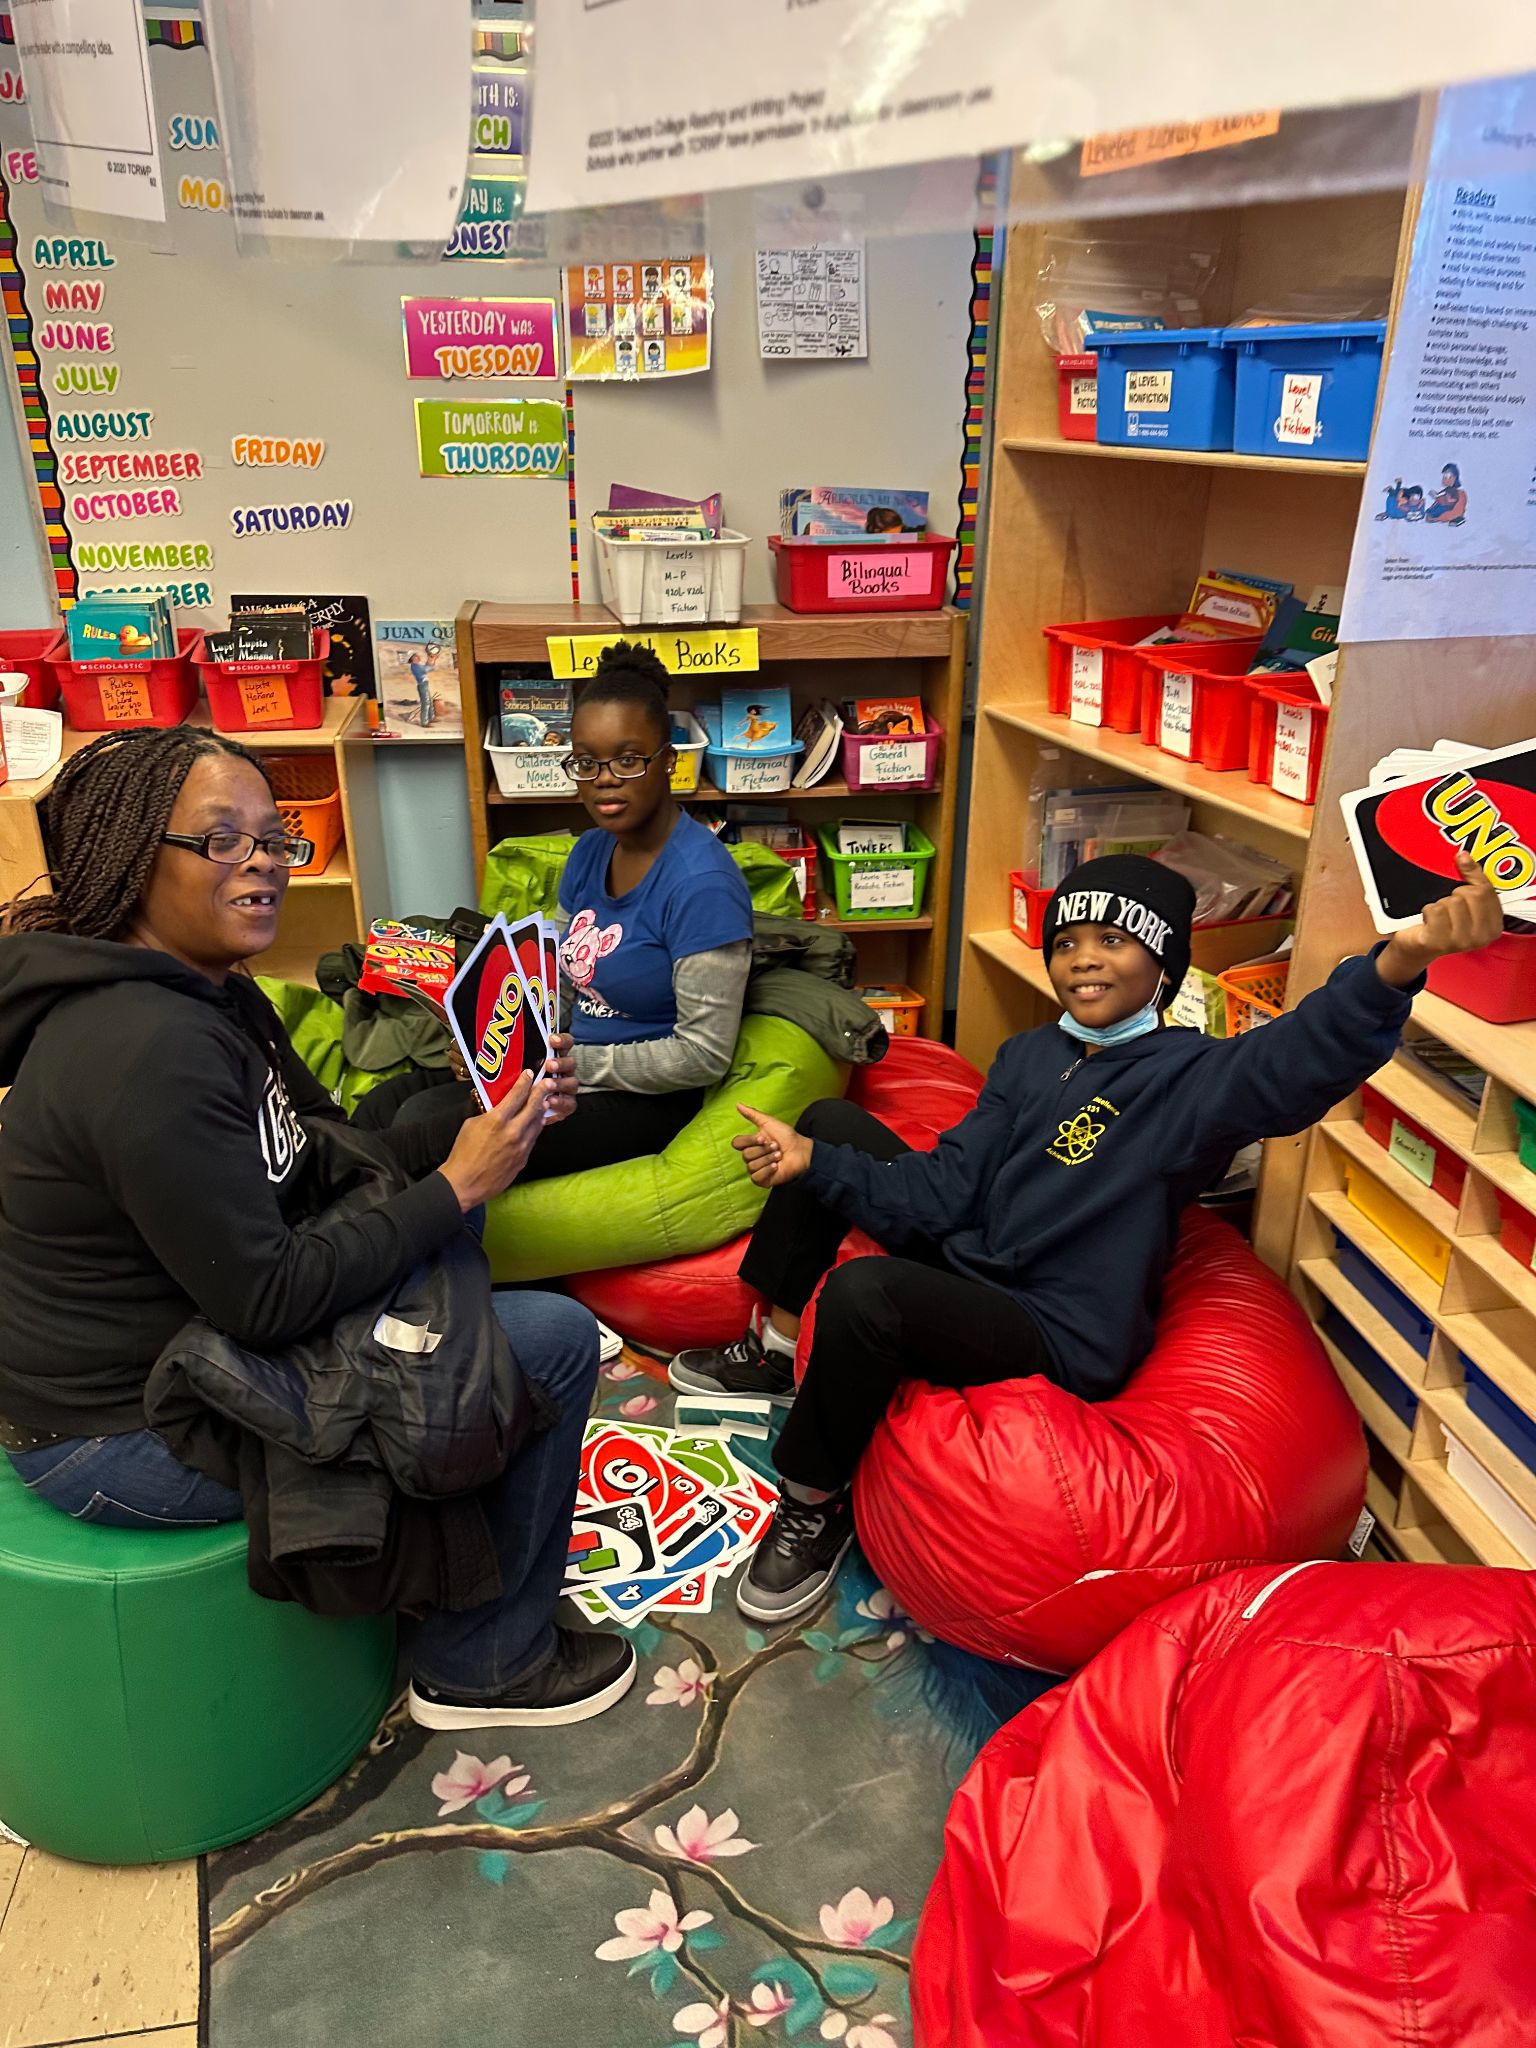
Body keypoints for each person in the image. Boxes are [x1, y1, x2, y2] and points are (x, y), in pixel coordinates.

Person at [670, 851, 1503, 1623]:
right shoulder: (1030, 1054)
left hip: (1054, 1322)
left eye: (1113, 940)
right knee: (828, 1124)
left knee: (865, 1292)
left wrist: (1399, 962)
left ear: (1163, 964)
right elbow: (948, 1188)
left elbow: (1294, 1057)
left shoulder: (1192, 1078)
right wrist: (815, 1160)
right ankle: (777, 1348)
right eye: (1066, 943)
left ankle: (811, 1505)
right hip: (975, 1255)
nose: (1084, 960)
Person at [0, 726, 635, 1731]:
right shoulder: (145, 1048)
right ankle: (483, 1664)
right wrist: (454, 1187)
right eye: (222, 839)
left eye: (274, 838)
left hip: (190, 1343)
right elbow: (267, 1300)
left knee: (450, 1238)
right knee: (547, 1340)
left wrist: (498, 1103)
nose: (263, 863)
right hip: (124, 1430)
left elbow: (330, 1143)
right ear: (132, 858)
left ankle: (452, 1578)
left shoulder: (208, 989)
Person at [542, 640, 754, 1175]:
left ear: (670, 762)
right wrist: (500, 1053)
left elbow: (703, 1054)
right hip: (566, 1075)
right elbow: (560, 983)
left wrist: (572, 1066)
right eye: (586, 762)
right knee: (398, 1103)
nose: (604, 778)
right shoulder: (589, 850)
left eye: (629, 759)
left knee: (429, 1135)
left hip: (646, 1102)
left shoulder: (703, 885)